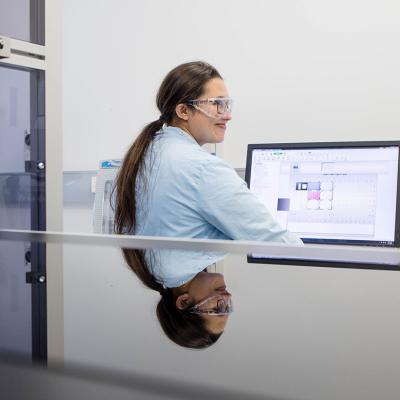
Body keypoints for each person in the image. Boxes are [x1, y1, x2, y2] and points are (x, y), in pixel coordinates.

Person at [114, 61, 302, 347]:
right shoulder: (199, 166)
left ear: (184, 301)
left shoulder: (150, 154)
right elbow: (277, 243)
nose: (227, 115)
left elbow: (272, 241)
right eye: (217, 105)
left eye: (218, 308)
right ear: (183, 111)